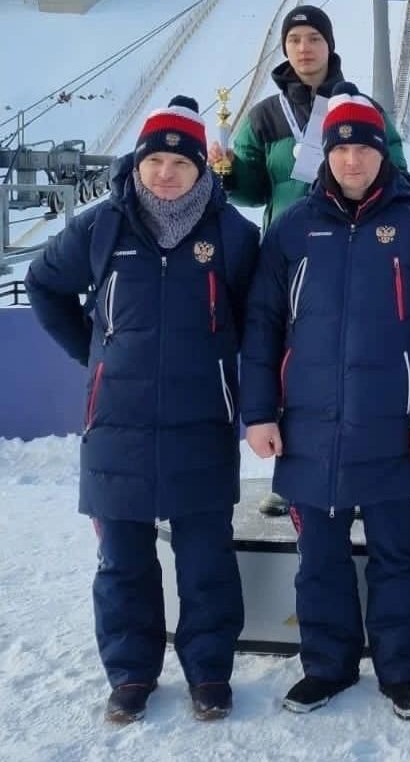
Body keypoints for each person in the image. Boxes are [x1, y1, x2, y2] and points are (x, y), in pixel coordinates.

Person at [26, 97, 260, 724]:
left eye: (180, 163)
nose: (165, 173)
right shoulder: (103, 226)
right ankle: (130, 673)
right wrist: (95, 353)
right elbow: (44, 282)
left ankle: (209, 672)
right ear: (137, 164)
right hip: (117, 423)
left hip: (202, 422)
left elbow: (257, 318)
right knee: (122, 560)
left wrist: (221, 361)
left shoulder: (233, 235)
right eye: (154, 161)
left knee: (206, 560)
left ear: (200, 169)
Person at [239, 82, 410, 719]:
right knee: (320, 559)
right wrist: (259, 412)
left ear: (381, 152)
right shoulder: (293, 228)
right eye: (340, 149)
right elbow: (262, 326)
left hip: (392, 425)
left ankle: (401, 672)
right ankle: (327, 667)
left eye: (363, 147)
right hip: (308, 427)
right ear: (326, 154)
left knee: (398, 556)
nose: (352, 160)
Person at [208, 5, 410, 518]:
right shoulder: (265, 116)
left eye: (313, 38)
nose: (304, 48)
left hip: (356, 248)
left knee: (353, 363)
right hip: (289, 255)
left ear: (330, 44)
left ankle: (360, 473)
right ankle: (293, 474)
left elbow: (398, 170)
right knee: (291, 365)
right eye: (294, 39)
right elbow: (253, 190)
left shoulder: (362, 107)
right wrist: (228, 174)